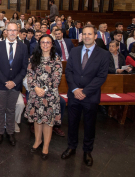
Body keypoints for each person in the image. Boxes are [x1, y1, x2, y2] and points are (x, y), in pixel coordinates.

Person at [62, 25, 110, 167]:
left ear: (95, 36)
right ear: (81, 36)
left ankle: (87, 151)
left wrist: (85, 91)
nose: (87, 36)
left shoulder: (103, 54)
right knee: (72, 123)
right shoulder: (75, 51)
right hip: (74, 94)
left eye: (90, 34)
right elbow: (69, 72)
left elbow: (101, 77)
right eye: (84, 34)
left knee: (89, 125)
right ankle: (71, 147)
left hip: (91, 96)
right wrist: (75, 89)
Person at [24, 34, 62, 159]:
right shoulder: (33, 58)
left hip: (49, 96)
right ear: (39, 44)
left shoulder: (56, 60)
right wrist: (35, 88)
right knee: (37, 119)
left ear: (52, 45)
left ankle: (46, 145)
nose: (45, 44)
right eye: (43, 42)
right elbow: (29, 76)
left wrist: (43, 90)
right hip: (35, 94)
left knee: (47, 121)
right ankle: (37, 140)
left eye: (48, 42)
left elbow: (56, 80)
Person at [0, 23, 28, 146]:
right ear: (6, 31)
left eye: (14, 30)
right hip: (0, 84)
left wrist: (14, 82)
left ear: (17, 32)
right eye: (10, 30)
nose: (12, 33)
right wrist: (5, 81)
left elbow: (24, 68)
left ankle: (10, 132)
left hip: (15, 84)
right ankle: (0, 131)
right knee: (1, 109)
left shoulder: (23, 47)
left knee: (11, 109)